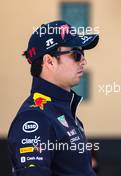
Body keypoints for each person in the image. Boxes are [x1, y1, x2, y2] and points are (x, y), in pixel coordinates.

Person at [7, 20, 99, 176]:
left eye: (83, 53)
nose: (84, 61)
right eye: (76, 54)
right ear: (49, 61)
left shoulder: (62, 111)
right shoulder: (35, 117)